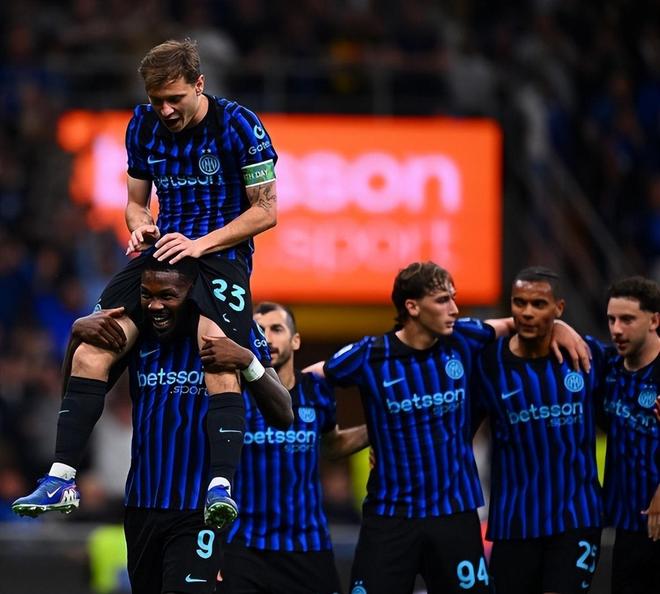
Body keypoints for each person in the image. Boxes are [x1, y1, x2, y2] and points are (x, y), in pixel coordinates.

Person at [14, 38, 278, 528]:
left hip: (220, 255)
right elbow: (136, 203)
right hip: (163, 254)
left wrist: (201, 244)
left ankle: (220, 486)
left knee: (215, 349)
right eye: (157, 100)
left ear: (199, 84)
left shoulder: (239, 124)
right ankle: (62, 477)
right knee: (94, 344)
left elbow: (265, 211)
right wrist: (140, 226)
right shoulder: (141, 125)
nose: (166, 110)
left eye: (175, 98)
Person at [315, 261, 589, 594]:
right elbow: (315, 376)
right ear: (412, 307)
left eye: (454, 298)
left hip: (454, 513)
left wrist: (560, 326)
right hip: (390, 518)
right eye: (443, 300)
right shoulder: (370, 355)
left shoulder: (464, 338)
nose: (455, 309)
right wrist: (334, 432)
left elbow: (517, 324)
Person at [27, 256, 291, 594]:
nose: (155, 306)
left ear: (192, 292)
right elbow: (75, 395)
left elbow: (283, 413)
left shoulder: (229, 326)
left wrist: (248, 361)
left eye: (167, 295)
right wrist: (76, 338)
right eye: (146, 294)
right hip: (141, 506)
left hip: (199, 510)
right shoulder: (136, 331)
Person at [207, 301, 368, 594]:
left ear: (295, 340)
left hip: (308, 545)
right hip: (244, 546)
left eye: (277, 329)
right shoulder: (233, 392)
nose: (267, 338)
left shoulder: (316, 389)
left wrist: (379, 429)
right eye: (259, 330)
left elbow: (331, 445)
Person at [472, 267, 604, 594]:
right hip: (514, 522)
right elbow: (458, 431)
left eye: (539, 304)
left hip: (576, 518)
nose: (527, 312)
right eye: (519, 302)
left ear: (559, 307)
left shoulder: (587, 356)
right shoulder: (488, 365)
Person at [599, 276, 660, 594]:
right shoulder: (608, 366)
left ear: (654, 321)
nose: (616, 329)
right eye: (611, 320)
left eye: (627, 319)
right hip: (628, 525)